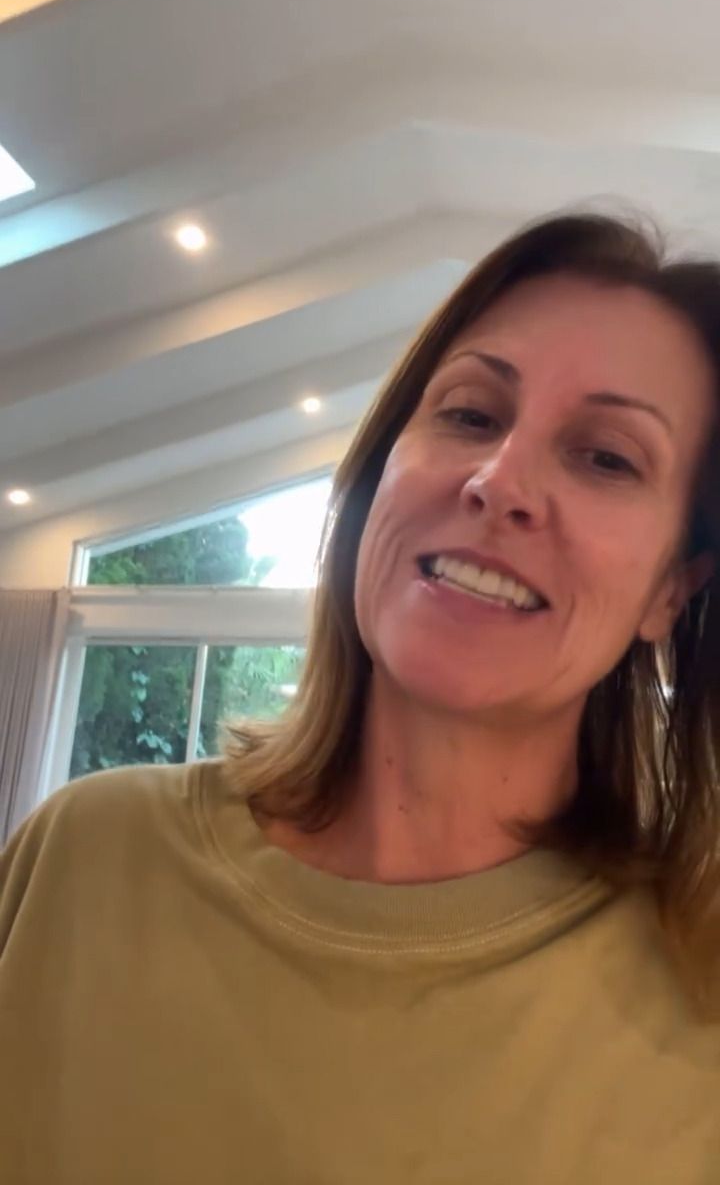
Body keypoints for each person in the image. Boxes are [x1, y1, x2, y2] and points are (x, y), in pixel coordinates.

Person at [2, 212, 720, 1185]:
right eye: (470, 414)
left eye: (606, 457)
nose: (499, 480)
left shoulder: (697, 992)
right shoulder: (82, 858)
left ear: (672, 589)